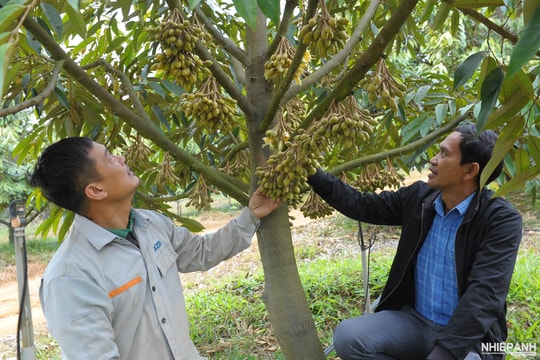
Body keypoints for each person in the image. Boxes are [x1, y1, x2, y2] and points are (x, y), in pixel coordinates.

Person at [29, 137, 281, 360]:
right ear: (96, 190)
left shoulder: (150, 224)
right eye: (109, 158)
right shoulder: (71, 277)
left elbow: (202, 252)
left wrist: (251, 216)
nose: (121, 158)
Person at [307, 124, 522, 360]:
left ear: (470, 170)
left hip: (471, 339)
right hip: (416, 322)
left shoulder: (500, 219)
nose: (433, 160)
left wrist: (446, 352)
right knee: (348, 337)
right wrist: (311, 172)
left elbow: (485, 294)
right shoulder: (420, 198)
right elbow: (362, 205)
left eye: (444, 154)